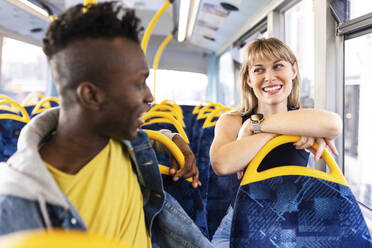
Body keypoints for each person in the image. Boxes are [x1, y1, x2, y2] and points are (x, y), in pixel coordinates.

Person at [0, 2, 213, 248]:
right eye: (138, 83)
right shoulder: (17, 209)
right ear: (91, 96)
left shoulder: (119, 139)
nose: (150, 96)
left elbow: (141, 135)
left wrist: (170, 138)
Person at [209, 37, 342, 247]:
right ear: (248, 79)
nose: (269, 77)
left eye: (278, 66)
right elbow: (221, 164)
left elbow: (334, 125)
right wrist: (273, 130)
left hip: (293, 225)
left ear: (293, 70)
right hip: (238, 226)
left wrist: (255, 127)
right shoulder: (232, 121)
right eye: (259, 70)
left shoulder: (302, 118)